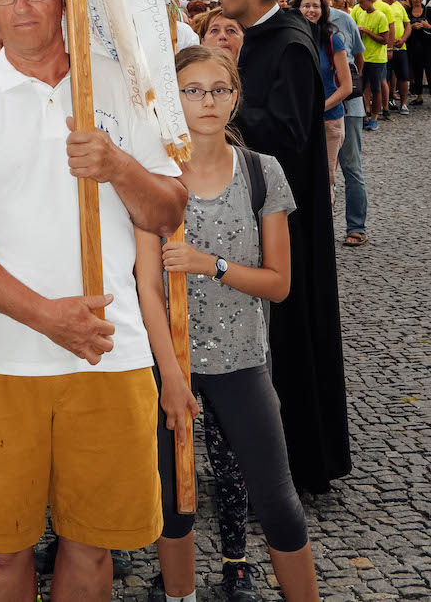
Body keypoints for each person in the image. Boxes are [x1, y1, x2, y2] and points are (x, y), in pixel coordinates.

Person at [0, 0, 187, 601]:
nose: (25, 4)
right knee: (2, 553)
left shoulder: (121, 88)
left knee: (93, 549)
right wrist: (46, 316)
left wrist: (118, 165)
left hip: (108, 351)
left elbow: (167, 210)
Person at [138, 46, 319, 602]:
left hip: (242, 362)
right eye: (192, 90)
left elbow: (279, 283)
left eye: (219, 89)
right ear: (174, 101)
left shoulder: (263, 174)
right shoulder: (154, 178)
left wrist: (208, 265)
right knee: (174, 505)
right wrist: (170, 376)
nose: (207, 101)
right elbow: (146, 285)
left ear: (236, 96)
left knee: (279, 503)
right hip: (171, 368)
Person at [216, 0, 350, 494]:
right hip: (265, 211)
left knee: (292, 338)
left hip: (287, 220)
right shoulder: (262, 37)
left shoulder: (290, 41)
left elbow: (292, 133)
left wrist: (225, 108)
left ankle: (298, 462)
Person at [302, 0, 368, 245]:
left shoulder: (343, 21)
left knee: (351, 167)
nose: (316, 2)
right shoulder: (297, 26)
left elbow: (359, 59)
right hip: (315, 110)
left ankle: (356, 227)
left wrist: (343, 95)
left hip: (346, 106)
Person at [290, 0, 352, 197]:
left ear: (323, 10)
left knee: (325, 183)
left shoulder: (333, 40)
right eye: (306, 6)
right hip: (298, 122)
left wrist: (318, 109)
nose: (311, 10)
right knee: (299, 180)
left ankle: (324, 229)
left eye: (316, 6)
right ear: (297, 9)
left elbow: (346, 87)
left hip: (328, 121)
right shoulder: (291, 39)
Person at [351, 0, 390, 132]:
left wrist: (367, 31)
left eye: (362, 2)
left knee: (376, 88)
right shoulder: (361, 15)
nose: (360, 6)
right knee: (360, 88)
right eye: (358, 3)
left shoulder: (381, 16)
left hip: (377, 58)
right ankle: (365, 117)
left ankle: (374, 118)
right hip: (364, 57)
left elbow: (384, 40)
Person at [382, 0, 412, 113]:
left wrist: (403, 39)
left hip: (401, 46)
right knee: (386, 76)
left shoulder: (399, 6)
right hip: (384, 48)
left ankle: (404, 103)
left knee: (403, 75)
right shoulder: (380, 6)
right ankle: (387, 102)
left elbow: (408, 25)